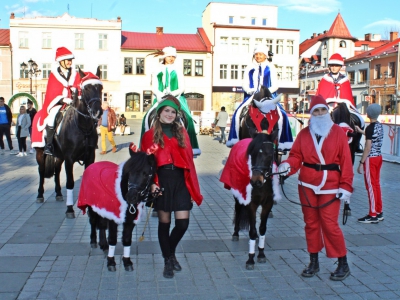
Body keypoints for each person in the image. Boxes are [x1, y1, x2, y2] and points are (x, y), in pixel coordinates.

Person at [278, 95, 353, 281]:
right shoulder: (304, 134)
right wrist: (287, 166)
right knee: (311, 224)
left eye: (322, 110)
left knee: (330, 224)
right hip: (307, 185)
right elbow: (296, 156)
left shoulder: (338, 133)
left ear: (327, 112)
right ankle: (314, 261)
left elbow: (346, 161)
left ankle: (343, 262)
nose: (319, 114)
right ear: (311, 114)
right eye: (316, 111)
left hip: (331, 186)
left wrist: (346, 185)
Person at [140, 96, 203, 279]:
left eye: (173, 112)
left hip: (181, 180)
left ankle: (170, 252)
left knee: (183, 223)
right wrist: (152, 183)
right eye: (166, 111)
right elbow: (145, 164)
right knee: (164, 223)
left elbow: (189, 161)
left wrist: (192, 186)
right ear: (159, 113)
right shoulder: (149, 135)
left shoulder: (182, 132)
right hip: (161, 180)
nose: (169, 114)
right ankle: (168, 259)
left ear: (176, 115)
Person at [226, 45, 293, 151]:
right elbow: (244, 83)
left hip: (269, 96)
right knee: (237, 113)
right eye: (256, 54)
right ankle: (235, 140)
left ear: (265, 55)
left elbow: (275, 85)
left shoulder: (271, 67)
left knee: (282, 115)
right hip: (251, 95)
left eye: (260, 54)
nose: (258, 56)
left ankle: (282, 143)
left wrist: (266, 92)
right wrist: (249, 90)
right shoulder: (249, 67)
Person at [141, 46, 201, 156]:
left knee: (187, 117)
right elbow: (153, 86)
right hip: (160, 97)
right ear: (164, 56)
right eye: (169, 56)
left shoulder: (178, 70)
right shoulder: (157, 69)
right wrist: (160, 95)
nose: (171, 58)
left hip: (176, 97)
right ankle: (144, 146)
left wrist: (172, 94)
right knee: (146, 117)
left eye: (173, 56)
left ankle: (191, 146)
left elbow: (182, 87)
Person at [31, 47, 80, 155]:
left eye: (71, 60)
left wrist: (76, 92)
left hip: (73, 102)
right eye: (67, 60)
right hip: (58, 103)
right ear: (61, 61)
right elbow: (52, 92)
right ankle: (49, 144)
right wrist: (62, 99)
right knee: (52, 116)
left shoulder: (75, 74)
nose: (69, 62)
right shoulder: (54, 75)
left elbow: (78, 86)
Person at [316, 53, 364, 152]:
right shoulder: (324, 79)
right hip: (328, 105)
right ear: (329, 66)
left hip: (344, 104)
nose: (334, 68)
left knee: (361, 120)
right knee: (317, 121)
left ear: (340, 67)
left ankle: (356, 144)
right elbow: (321, 95)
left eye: (336, 66)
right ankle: (316, 143)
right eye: (332, 65)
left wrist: (343, 102)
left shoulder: (345, 80)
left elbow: (348, 96)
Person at [355, 104, 384, 224]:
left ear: (369, 113)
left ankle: (372, 215)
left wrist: (361, 162)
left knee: (370, 187)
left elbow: (367, 147)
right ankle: (379, 211)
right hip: (379, 157)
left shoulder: (370, 128)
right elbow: (372, 137)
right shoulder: (379, 126)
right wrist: (361, 131)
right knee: (376, 185)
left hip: (370, 159)